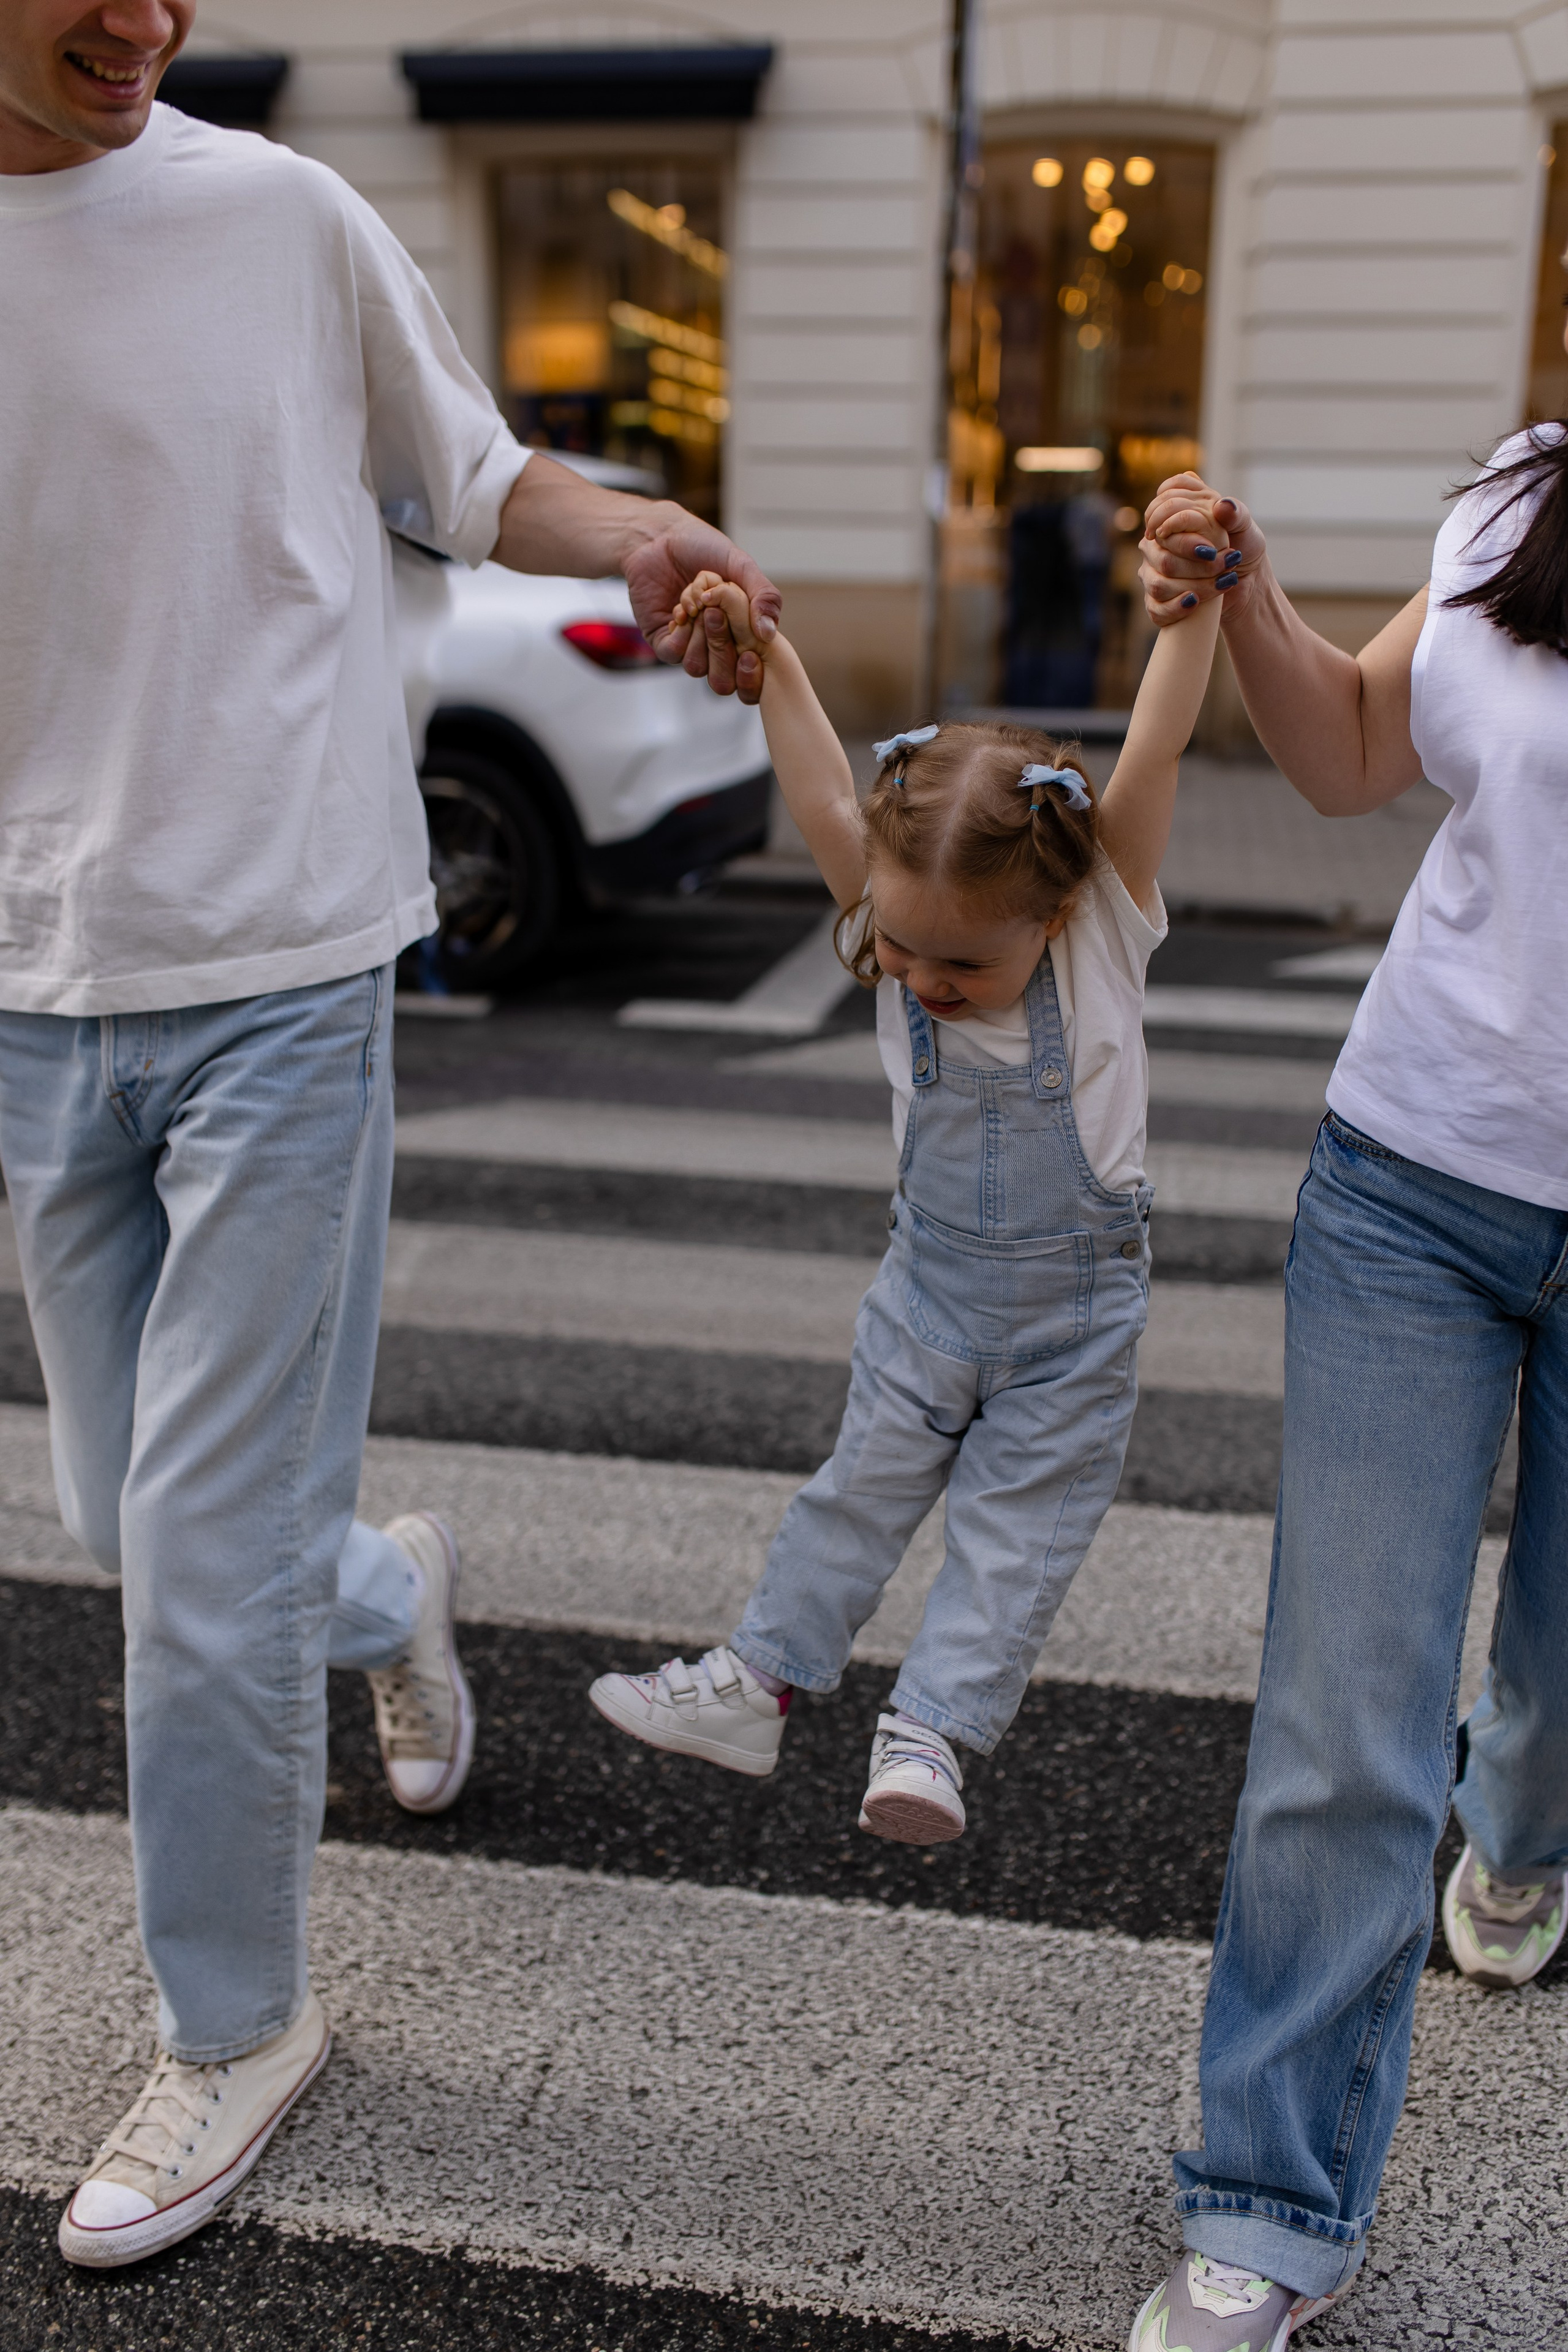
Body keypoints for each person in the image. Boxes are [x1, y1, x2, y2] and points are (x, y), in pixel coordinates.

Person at [1, 1, 778, 2272]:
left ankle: (232, 2026)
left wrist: (631, 526)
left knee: (199, 1568)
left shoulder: (280, 210)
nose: (142, 18)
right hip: (37, 989)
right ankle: (395, 1585)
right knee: (140, 1528)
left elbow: (471, 470)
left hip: (284, 963)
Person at [1125, 428, 1568, 2351]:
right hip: (1416, 1184)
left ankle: (1527, 1830)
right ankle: (1272, 2201)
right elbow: (1349, 754)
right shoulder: (1528, 488)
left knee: (1548, 1690)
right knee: (1343, 1724)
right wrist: (1249, 600)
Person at [586, 565, 1223, 1839]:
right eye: (899, 948)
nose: (918, 977)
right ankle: (754, 1683)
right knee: (852, 1495)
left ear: (1050, 918)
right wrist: (766, 654)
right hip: (925, 1297)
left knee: (1013, 1538)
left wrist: (1193, 606)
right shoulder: (899, 920)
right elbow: (825, 785)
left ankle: (927, 1736)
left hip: (1069, 1328)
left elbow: (1152, 743)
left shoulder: (1102, 929)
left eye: (961, 962)